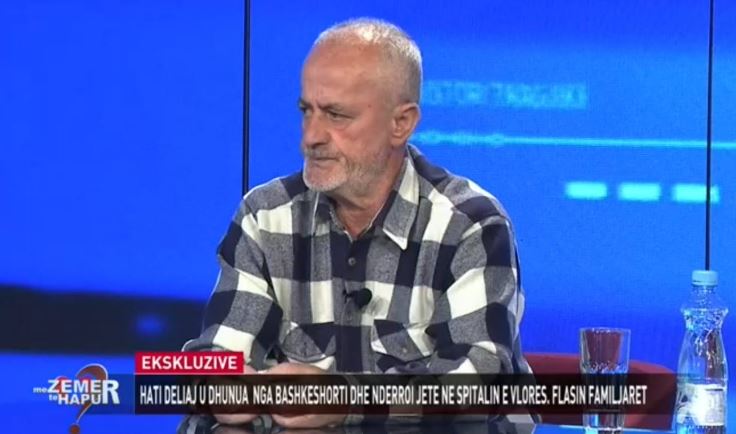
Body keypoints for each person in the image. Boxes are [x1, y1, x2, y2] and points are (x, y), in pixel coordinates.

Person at [183, 18, 530, 429]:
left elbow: (476, 384)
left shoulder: (469, 225)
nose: (311, 137)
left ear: (401, 123)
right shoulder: (266, 217)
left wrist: (345, 400)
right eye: (307, 111)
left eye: (336, 115)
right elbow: (215, 357)